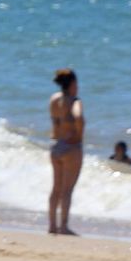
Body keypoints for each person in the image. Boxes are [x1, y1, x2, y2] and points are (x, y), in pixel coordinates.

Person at [48, 68, 84, 236]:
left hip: (56, 144)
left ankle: (52, 225)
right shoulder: (75, 101)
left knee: (56, 187)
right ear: (72, 84)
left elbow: (55, 121)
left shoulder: (54, 99)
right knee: (67, 189)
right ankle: (64, 225)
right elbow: (79, 117)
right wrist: (78, 136)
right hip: (71, 148)